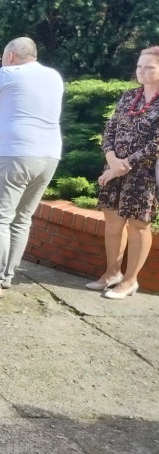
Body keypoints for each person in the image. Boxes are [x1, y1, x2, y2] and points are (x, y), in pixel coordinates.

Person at [0, 37, 63, 301]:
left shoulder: (8, 73)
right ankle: (5, 277)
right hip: (49, 156)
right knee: (21, 219)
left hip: (15, 155)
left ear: (10, 56)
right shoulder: (53, 76)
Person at [90, 47, 159, 299]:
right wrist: (111, 160)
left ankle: (130, 281)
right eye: (140, 66)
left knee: (138, 226)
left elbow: (157, 144)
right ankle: (112, 273)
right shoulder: (129, 97)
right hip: (114, 169)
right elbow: (110, 130)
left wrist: (123, 165)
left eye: (149, 67)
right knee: (112, 223)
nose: (142, 71)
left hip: (144, 176)